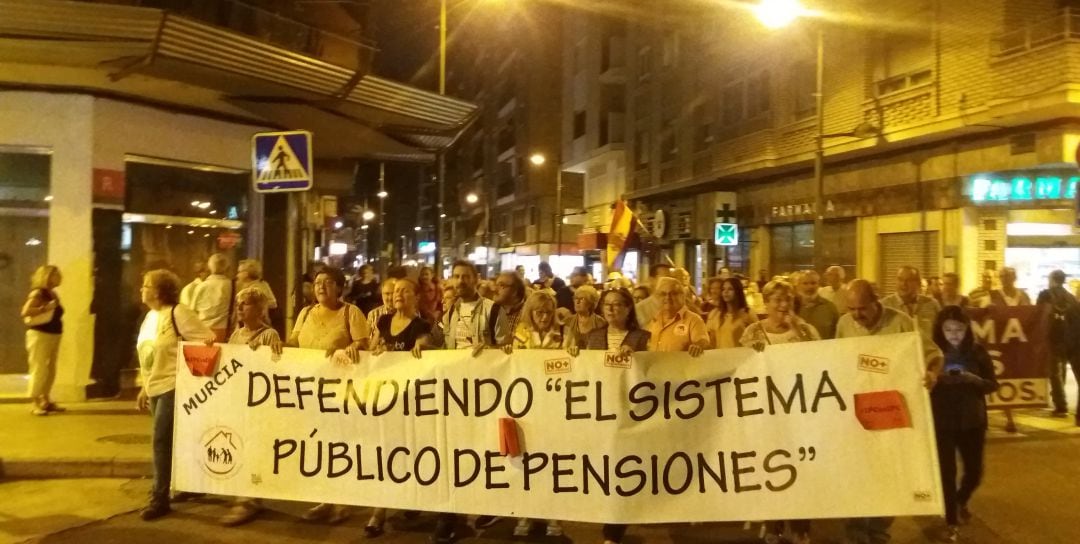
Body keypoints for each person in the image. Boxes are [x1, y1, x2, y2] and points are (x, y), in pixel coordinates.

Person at [837, 279, 942, 544]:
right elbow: (835, 360)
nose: (857, 315)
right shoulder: (844, 325)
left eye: (863, 308)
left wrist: (932, 374)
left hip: (892, 413)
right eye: (852, 309)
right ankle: (857, 532)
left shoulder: (902, 323)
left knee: (889, 475)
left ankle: (879, 530)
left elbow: (934, 354)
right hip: (857, 414)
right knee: (859, 474)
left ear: (877, 301)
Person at [285, 266, 370, 524]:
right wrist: (276, 345)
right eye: (318, 282)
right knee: (318, 444)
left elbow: (363, 344)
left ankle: (343, 502)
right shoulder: (305, 313)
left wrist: (352, 348)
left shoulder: (351, 313)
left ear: (340, 288)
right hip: (310, 390)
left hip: (340, 391)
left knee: (340, 445)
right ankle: (325, 498)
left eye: (328, 282)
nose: (321, 286)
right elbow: (294, 343)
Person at [433, 260, 510, 543]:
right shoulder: (450, 311)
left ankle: (484, 507)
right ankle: (451, 516)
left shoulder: (492, 310)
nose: (460, 281)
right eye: (456, 276)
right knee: (454, 453)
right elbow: (443, 347)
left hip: (484, 394)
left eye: (466, 276)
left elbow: (507, 350)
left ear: (476, 279)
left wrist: (489, 351)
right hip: (456, 394)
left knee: (481, 451)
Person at [565, 287, 650, 544]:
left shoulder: (641, 337)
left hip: (629, 413)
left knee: (623, 468)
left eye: (618, 305)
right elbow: (584, 372)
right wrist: (574, 357)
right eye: (607, 305)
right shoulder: (593, 336)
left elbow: (654, 370)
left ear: (628, 309)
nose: (612, 309)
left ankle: (614, 529)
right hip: (600, 411)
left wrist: (638, 358)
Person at [738, 280, 817, 544]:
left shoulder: (805, 329)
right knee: (771, 467)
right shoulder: (753, 332)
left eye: (788, 301)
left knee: (799, 468)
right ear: (767, 304)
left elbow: (820, 357)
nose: (783, 306)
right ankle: (774, 525)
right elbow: (740, 366)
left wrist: (797, 327)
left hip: (797, 410)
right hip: (765, 412)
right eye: (777, 301)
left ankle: (801, 527)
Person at [135, 269, 215, 521]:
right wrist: (144, 385)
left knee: (160, 441)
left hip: (173, 386)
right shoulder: (150, 316)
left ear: (158, 291)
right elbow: (148, 355)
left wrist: (189, 375)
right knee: (174, 440)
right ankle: (188, 485)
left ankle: (159, 498)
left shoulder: (178, 313)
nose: (142, 289)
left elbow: (208, 339)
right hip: (156, 386)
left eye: (146, 285)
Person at [365, 278, 435, 537]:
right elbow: (371, 349)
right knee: (384, 454)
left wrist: (422, 346)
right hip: (384, 399)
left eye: (404, 291)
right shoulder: (383, 322)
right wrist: (376, 349)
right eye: (395, 291)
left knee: (407, 453)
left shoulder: (421, 325)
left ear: (415, 296)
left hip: (410, 403)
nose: (398, 295)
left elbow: (425, 345)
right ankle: (378, 512)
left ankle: (410, 500)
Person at [931, 305, 998, 543]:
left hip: (972, 420)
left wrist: (974, 379)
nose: (954, 334)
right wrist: (936, 379)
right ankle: (951, 521)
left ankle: (961, 499)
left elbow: (992, 384)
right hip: (942, 421)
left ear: (967, 329)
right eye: (948, 329)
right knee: (946, 473)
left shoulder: (977, 352)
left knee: (974, 472)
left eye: (958, 329)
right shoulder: (932, 353)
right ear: (940, 330)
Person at [502, 290, 566, 538]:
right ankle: (525, 513)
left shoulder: (563, 334)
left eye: (548, 312)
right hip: (526, 404)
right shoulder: (520, 335)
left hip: (553, 404)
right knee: (525, 460)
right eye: (539, 312)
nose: (544, 317)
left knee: (553, 460)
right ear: (531, 312)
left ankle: (553, 515)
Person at [219, 287, 283, 527]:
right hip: (239, 401)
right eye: (238, 304)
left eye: (244, 304)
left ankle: (250, 498)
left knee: (255, 448)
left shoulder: (269, 336)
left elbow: (277, 368)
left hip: (258, 403)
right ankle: (246, 495)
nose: (239, 308)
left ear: (258, 308)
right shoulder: (236, 335)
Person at [21, 265, 65, 416]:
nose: (60, 277)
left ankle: (45, 399)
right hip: (40, 335)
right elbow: (25, 311)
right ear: (47, 276)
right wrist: (45, 308)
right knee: (39, 368)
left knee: (50, 369)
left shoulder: (52, 293)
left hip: (53, 334)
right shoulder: (38, 293)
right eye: (56, 275)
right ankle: (35, 402)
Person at [1036, 269, 1079, 419]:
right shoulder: (1072, 298)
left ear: (1052, 279)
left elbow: (1038, 315)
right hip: (1072, 341)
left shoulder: (1045, 295)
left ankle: (1061, 406)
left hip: (1053, 339)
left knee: (1055, 373)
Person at [740, 280, 820, 350]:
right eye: (778, 299)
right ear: (766, 302)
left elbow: (816, 355)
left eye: (788, 299)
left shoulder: (807, 330)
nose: (784, 304)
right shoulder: (753, 331)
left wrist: (795, 327)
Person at [645, 277, 709, 356]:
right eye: (663, 294)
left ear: (682, 296)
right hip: (654, 367)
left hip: (682, 368)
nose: (668, 297)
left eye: (673, 293)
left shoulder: (693, 320)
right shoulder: (653, 320)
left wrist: (698, 345)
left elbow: (703, 341)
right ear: (658, 297)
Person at [881, 266, 941, 341]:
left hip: (926, 351)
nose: (903, 284)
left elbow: (941, 333)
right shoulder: (884, 306)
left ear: (918, 283)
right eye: (900, 279)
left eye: (908, 280)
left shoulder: (932, 304)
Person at [191, 253, 234, 342]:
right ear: (227, 267)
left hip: (202, 329)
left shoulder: (201, 286)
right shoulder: (231, 286)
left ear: (209, 267)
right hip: (224, 330)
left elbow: (192, 311)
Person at [705, 278, 756, 349]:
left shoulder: (747, 313)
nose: (726, 292)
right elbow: (711, 341)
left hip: (740, 356)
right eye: (723, 289)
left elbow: (758, 337)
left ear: (737, 291)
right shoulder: (715, 313)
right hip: (719, 356)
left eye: (730, 289)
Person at [795, 270, 839, 339]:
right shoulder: (791, 308)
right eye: (805, 283)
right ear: (797, 286)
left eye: (813, 283)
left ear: (818, 285)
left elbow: (837, 335)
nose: (810, 287)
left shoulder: (830, 307)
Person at [634, 263, 673, 328]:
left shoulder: (678, 306)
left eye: (671, 278)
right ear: (651, 280)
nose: (669, 281)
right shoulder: (640, 309)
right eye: (665, 278)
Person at [366, 278, 397, 345]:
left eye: (393, 293)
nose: (390, 298)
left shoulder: (409, 313)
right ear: (382, 295)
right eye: (387, 294)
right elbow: (366, 340)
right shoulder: (373, 314)